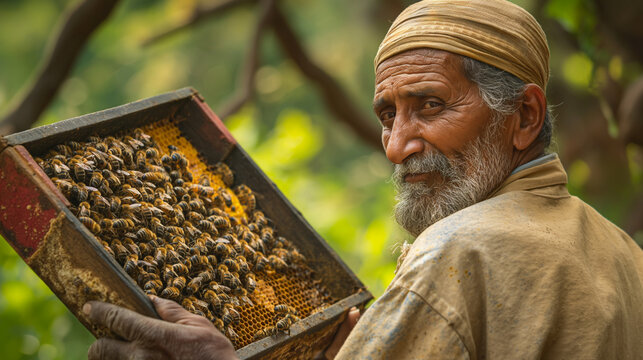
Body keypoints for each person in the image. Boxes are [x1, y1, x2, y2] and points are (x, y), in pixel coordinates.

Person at [84, 0, 643, 359]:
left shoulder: (463, 250)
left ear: (523, 116)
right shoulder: (625, 252)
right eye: (387, 116)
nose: (398, 145)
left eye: (429, 105)